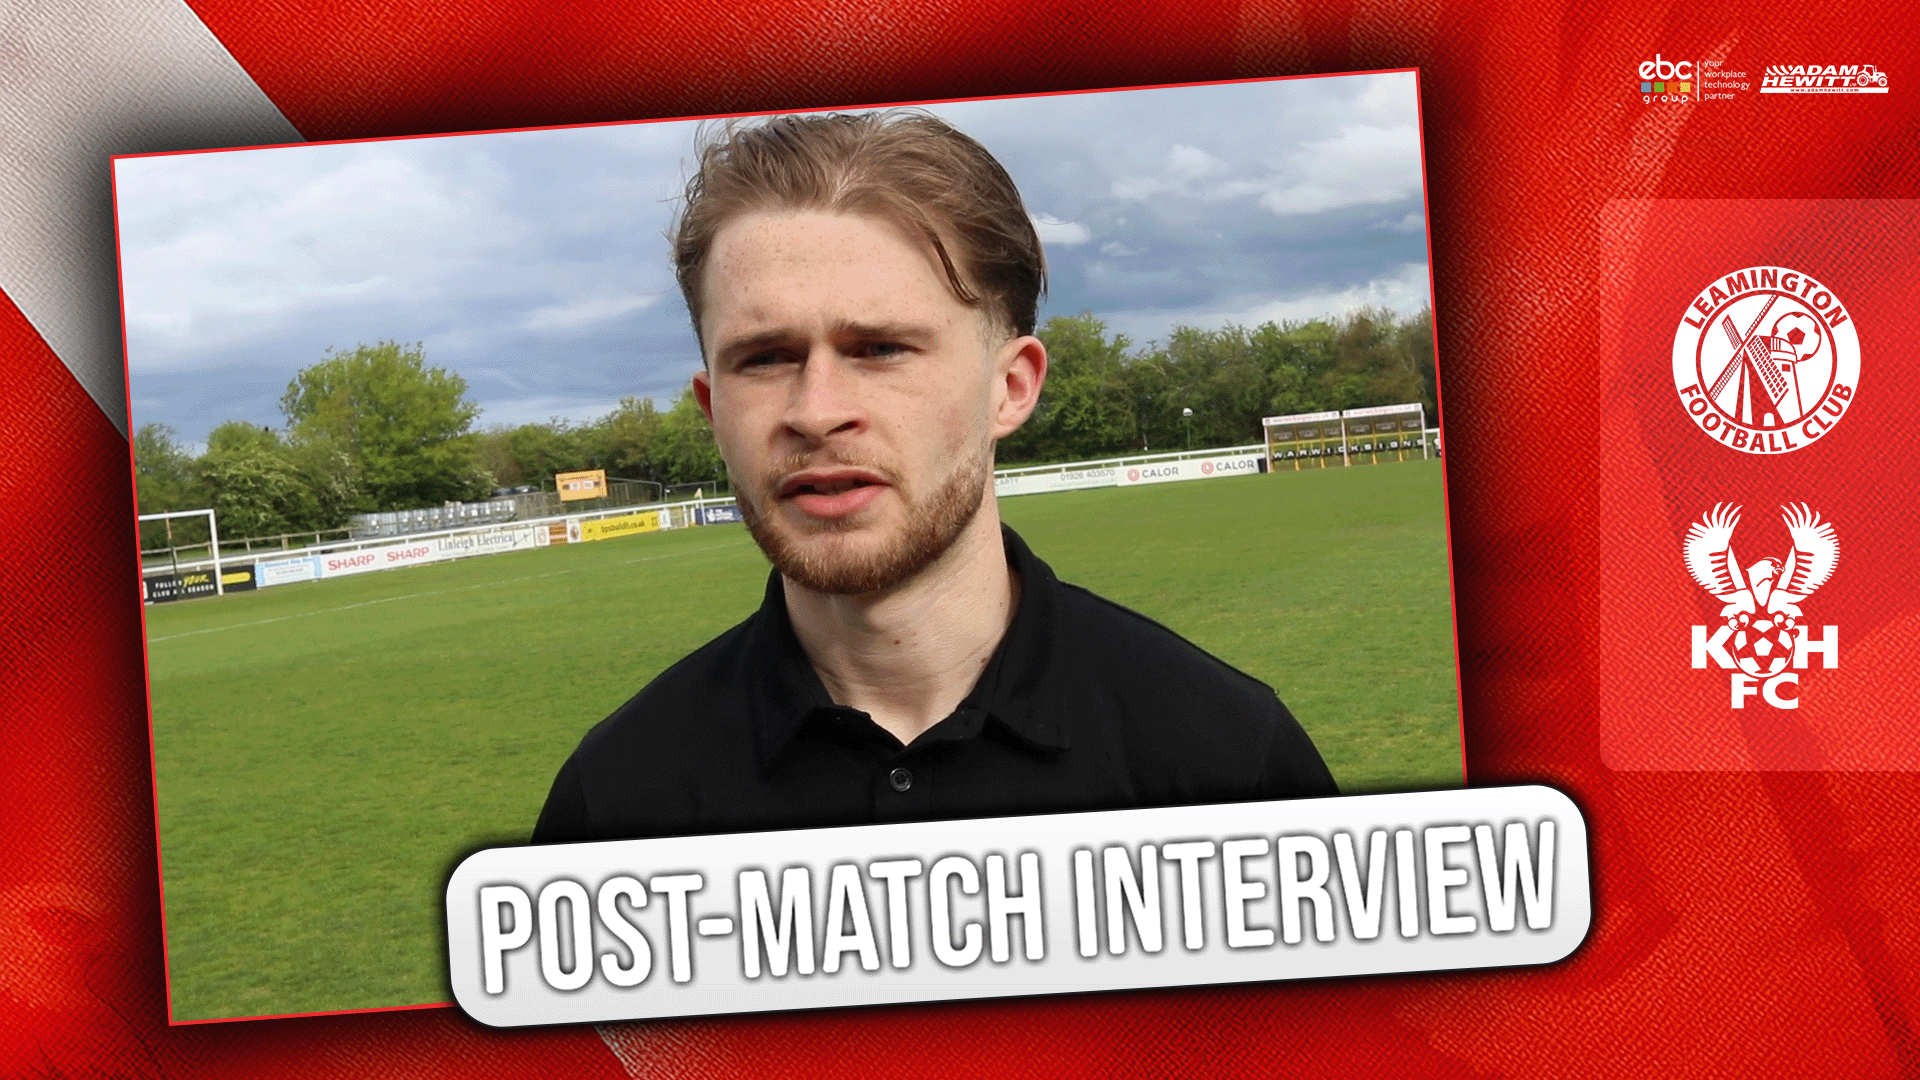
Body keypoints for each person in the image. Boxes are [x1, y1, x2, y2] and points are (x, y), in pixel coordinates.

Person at [532, 111, 1335, 844]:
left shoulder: (1228, 765)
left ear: (1010, 387)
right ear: (713, 409)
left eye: (880, 349)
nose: (817, 412)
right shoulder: (615, 805)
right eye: (765, 358)